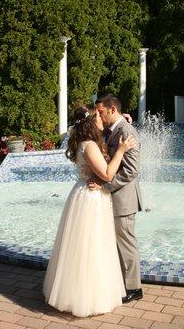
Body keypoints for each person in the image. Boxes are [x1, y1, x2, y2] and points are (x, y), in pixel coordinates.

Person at [43, 104, 138, 317]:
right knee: (91, 246)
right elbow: (106, 173)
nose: (101, 120)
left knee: (82, 247)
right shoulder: (90, 146)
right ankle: (88, 297)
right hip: (92, 198)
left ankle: (78, 290)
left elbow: (107, 129)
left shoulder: (85, 143)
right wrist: (121, 151)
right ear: (90, 123)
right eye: (97, 117)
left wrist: (122, 118)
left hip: (83, 194)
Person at [91, 94, 143, 303]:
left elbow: (131, 170)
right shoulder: (113, 129)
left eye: (101, 112)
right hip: (114, 198)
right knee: (116, 243)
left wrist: (105, 186)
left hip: (124, 199)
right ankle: (122, 283)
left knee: (126, 244)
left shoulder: (127, 132)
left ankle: (134, 288)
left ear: (113, 110)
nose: (99, 116)